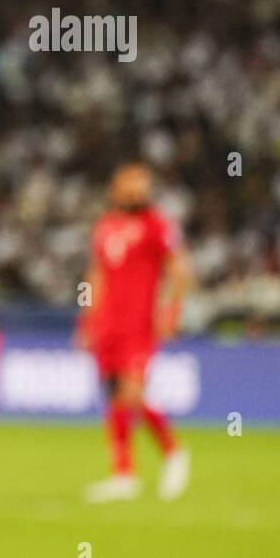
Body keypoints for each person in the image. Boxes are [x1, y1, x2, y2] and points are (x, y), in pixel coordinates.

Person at [77, 163, 193, 502]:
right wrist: (88, 319)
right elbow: (96, 275)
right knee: (115, 395)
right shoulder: (105, 226)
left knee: (132, 391)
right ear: (117, 187)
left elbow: (180, 269)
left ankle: (173, 451)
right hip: (109, 324)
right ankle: (123, 473)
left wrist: (172, 310)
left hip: (139, 323)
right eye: (130, 184)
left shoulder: (158, 224)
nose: (136, 190)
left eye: (141, 184)